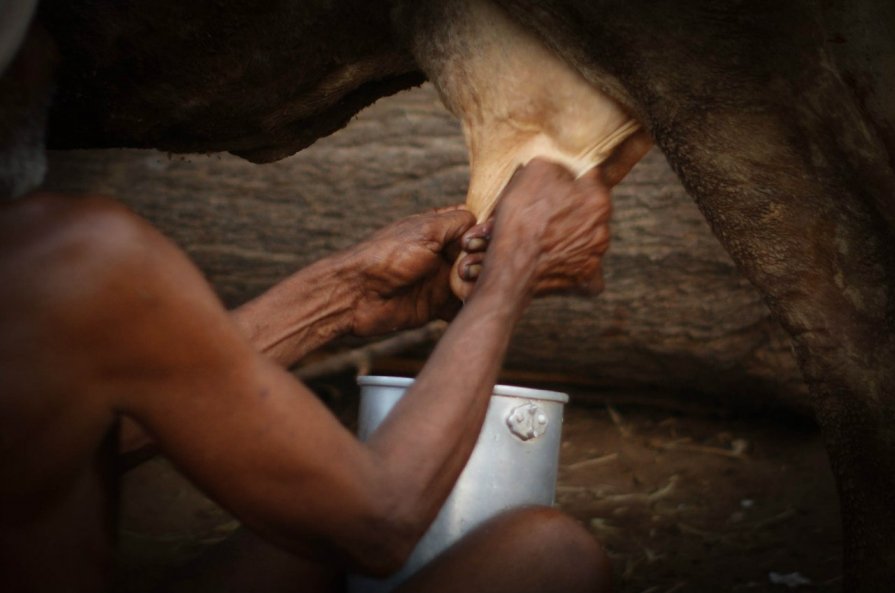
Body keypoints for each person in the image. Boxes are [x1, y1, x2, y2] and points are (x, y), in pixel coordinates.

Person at [0, 15, 650, 593]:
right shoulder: (73, 259)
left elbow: (72, 419)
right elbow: (380, 522)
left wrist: (341, 296)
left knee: (291, 550)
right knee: (548, 557)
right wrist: (514, 268)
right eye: (34, 34)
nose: (51, 55)